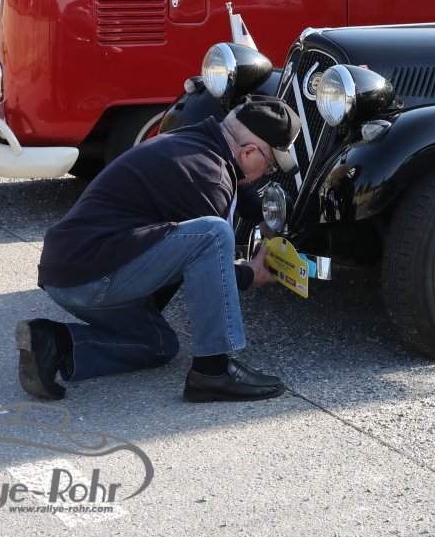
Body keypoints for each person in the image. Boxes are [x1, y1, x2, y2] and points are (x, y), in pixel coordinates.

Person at [16, 95, 299, 402]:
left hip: (72, 272)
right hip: (92, 279)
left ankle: (54, 342)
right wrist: (251, 274)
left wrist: (262, 217)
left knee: (159, 345)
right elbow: (211, 264)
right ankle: (212, 372)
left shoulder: (198, 142)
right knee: (212, 234)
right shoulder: (209, 175)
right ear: (248, 152)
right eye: (270, 165)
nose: (267, 173)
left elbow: (236, 182)